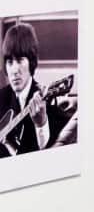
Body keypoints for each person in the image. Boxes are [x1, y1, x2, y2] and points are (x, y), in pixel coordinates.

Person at [0, 23, 68, 157]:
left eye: (20, 60)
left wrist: (41, 124)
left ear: (31, 62)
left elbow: (53, 154)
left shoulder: (48, 101)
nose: (14, 70)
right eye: (10, 62)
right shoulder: (1, 97)